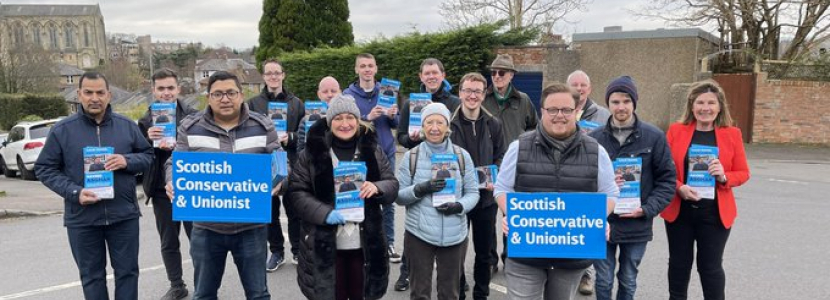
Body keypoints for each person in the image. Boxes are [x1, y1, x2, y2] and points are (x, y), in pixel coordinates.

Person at [35, 71, 154, 300]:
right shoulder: (63, 130)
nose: (94, 97)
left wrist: (126, 161)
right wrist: (74, 192)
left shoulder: (126, 126)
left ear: (109, 95)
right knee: (91, 277)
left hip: (123, 215)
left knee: (128, 273)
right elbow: (44, 168)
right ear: (79, 95)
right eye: (88, 92)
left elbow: (148, 156)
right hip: (82, 218)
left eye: (100, 92)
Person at [494, 82, 618, 300]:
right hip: (526, 254)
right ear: (542, 111)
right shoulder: (519, 147)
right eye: (552, 109)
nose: (559, 115)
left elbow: (609, 193)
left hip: (572, 256)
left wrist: (599, 218)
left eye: (566, 110)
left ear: (577, 111)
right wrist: (513, 214)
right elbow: (502, 188)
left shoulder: (596, 151)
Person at [163, 71, 280, 299]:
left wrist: (280, 182)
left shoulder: (263, 126)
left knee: (258, 294)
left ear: (241, 95)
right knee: (204, 294)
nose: (224, 99)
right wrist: (171, 180)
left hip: (251, 228)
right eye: (217, 94)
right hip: (207, 229)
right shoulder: (190, 127)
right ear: (208, 97)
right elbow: (173, 163)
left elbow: (280, 162)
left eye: (230, 93)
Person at [289, 94, 399, 300]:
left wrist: (377, 187)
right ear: (330, 122)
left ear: (358, 120)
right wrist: (324, 213)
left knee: (361, 294)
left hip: (364, 245)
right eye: (338, 118)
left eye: (350, 117)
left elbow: (392, 184)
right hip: (326, 245)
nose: (345, 123)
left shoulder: (372, 150)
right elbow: (297, 193)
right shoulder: (311, 153)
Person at [587, 76, 677, 300]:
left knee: (628, 279)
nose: (621, 107)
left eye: (626, 101)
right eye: (615, 102)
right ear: (608, 104)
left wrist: (647, 209)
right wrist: (602, 187)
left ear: (634, 103)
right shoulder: (594, 139)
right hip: (603, 222)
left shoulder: (654, 137)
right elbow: (583, 179)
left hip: (636, 223)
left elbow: (667, 181)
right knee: (604, 279)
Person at [662, 80, 750, 300]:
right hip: (680, 211)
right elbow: (663, 169)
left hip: (714, 213)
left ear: (720, 107)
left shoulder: (732, 134)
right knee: (679, 265)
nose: (705, 108)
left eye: (711, 102)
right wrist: (679, 187)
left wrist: (723, 176)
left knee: (710, 267)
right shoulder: (676, 131)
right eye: (700, 102)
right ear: (692, 106)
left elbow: (743, 173)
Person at [396, 102, 479, 300]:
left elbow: (473, 193)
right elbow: (398, 196)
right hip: (419, 234)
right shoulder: (411, 157)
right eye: (429, 122)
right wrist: (420, 188)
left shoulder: (461, 156)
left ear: (447, 126)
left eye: (440, 122)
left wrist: (459, 206)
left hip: (454, 235)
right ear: (422, 126)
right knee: (419, 293)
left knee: (450, 293)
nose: (434, 127)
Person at [393, 58, 462, 291]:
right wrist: (411, 139)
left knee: (452, 223)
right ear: (421, 77)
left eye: (435, 72)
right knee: (415, 224)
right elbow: (400, 137)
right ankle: (406, 273)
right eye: (427, 73)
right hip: (419, 165)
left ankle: (455, 279)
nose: (431, 76)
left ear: (443, 75)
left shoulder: (455, 102)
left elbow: (458, 136)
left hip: (448, 165)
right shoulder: (410, 103)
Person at [137, 69, 199, 300]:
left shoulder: (194, 116)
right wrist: (148, 141)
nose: (166, 93)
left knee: (198, 240)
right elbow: (137, 154)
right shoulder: (145, 120)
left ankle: (203, 284)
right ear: (154, 90)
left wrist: (181, 144)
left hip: (191, 187)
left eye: (170, 88)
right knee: (169, 241)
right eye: (161, 88)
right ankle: (177, 285)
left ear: (178, 89)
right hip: (162, 190)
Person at [450, 72, 506, 300]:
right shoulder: (448, 124)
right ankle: (459, 293)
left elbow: (501, 156)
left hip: (485, 200)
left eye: (477, 91)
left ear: (484, 95)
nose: (472, 95)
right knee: (456, 253)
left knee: (484, 254)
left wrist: (495, 174)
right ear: (460, 93)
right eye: (468, 90)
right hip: (458, 200)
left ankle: (481, 295)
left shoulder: (494, 124)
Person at [481, 53, 538, 275]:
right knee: (487, 217)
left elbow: (534, 127)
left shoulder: (523, 100)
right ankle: (490, 259)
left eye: (502, 72)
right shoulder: (483, 99)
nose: (497, 76)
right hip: (489, 167)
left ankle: (510, 257)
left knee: (513, 216)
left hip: (516, 167)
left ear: (511, 75)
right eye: (493, 72)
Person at [343, 53, 402, 264]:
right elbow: (345, 125)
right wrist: (368, 118)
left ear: (376, 69)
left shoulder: (387, 91)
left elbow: (397, 125)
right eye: (363, 66)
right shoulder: (347, 95)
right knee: (361, 198)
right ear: (356, 70)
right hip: (361, 155)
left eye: (370, 66)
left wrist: (393, 115)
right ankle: (366, 243)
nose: (367, 70)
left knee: (387, 199)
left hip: (386, 152)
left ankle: (389, 242)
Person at [247, 59, 305, 270]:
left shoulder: (296, 103)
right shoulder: (253, 104)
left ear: (283, 75)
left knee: (294, 209)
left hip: (291, 160)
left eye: (276, 73)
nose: (273, 76)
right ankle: (277, 252)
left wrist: (289, 137)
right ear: (263, 77)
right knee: (270, 210)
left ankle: (298, 251)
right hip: (265, 161)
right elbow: (248, 132)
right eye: (269, 73)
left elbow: (304, 134)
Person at [566, 70, 612, 294]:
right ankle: (569, 271)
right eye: (574, 84)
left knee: (590, 226)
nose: (579, 88)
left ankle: (587, 275)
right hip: (567, 176)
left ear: (590, 88)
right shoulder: (561, 110)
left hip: (593, 176)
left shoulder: (603, 114)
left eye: (583, 84)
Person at [298, 76, 341, 152]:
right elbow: (300, 151)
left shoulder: (347, 119)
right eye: (325, 92)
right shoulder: (306, 121)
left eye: (333, 91)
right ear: (319, 94)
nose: (330, 95)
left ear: (340, 93)